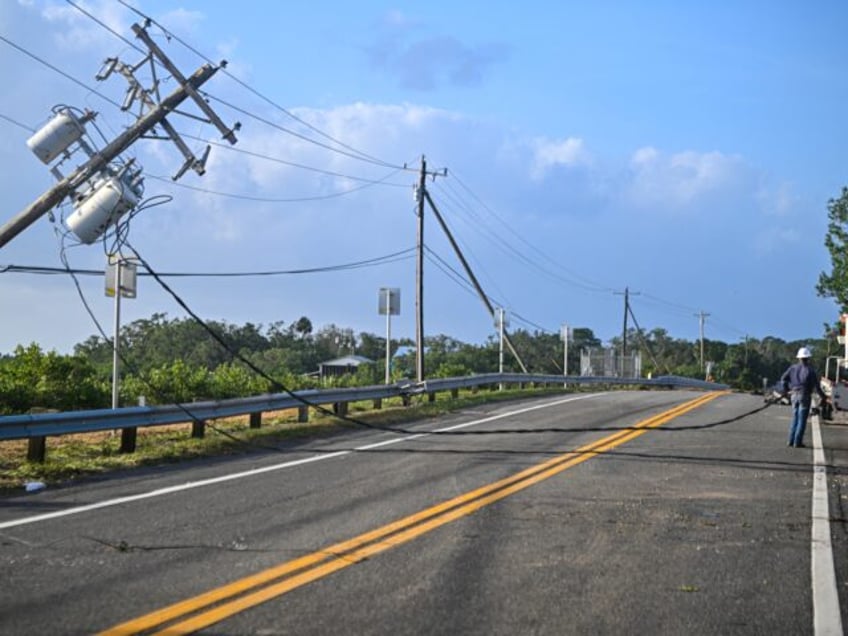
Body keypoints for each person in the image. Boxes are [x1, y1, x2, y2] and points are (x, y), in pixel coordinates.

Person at [780, 347, 827, 448]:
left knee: (795, 418)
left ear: (799, 358)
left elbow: (783, 379)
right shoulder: (810, 371)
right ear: (808, 358)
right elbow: (817, 387)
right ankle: (797, 442)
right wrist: (824, 397)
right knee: (802, 419)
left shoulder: (792, 368)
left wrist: (786, 390)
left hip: (794, 394)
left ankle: (790, 440)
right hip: (804, 395)